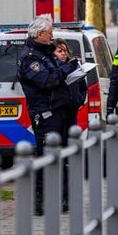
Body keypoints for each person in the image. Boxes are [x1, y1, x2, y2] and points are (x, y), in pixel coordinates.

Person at [18, 15, 77, 215]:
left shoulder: (46, 52)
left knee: (62, 157)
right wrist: (68, 68)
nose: (52, 36)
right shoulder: (30, 58)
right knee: (45, 158)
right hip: (45, 114)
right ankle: (40, 202)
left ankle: (63, 198)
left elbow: (57, 74)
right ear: (39, 34)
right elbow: (47, 81)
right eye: (49, 33)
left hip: (60, 111)